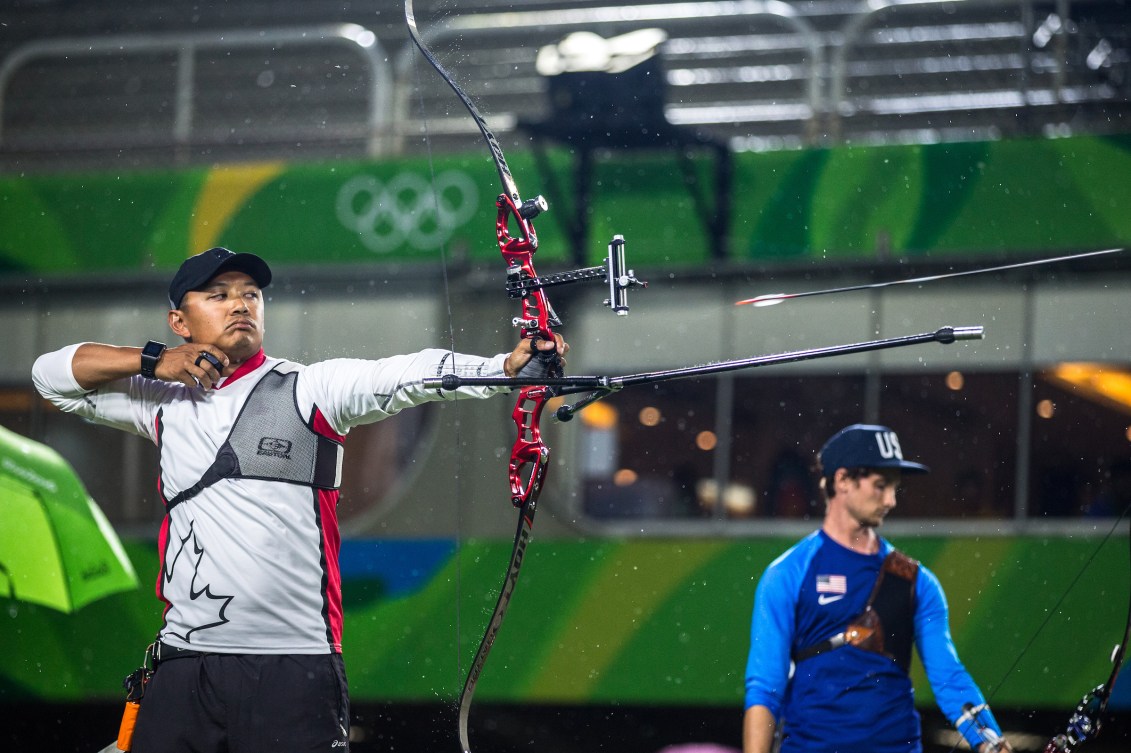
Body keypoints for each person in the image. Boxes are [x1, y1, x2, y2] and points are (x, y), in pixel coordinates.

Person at [31, 246, 568, 753]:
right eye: (218, 295)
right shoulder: (158, 400)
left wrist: (503, 369)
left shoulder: (310, 389)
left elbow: (404, 375)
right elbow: (50, 376)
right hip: (186, 663)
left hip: (293, 664)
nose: (240, 304)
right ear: (179, 321)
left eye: (250, 294)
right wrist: (154, 361)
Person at [742, 424, 1012, 753]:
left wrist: (990, 742)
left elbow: (949, 678)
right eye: (880, 486)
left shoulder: (917, 581)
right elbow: (765, 687)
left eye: (895, 488)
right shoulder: (788, 574)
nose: (891, 500)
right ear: (842, 480)